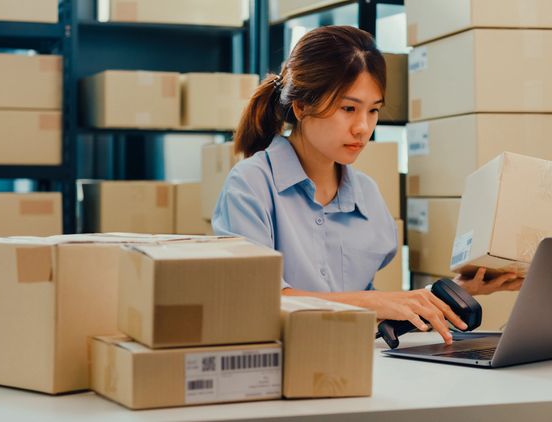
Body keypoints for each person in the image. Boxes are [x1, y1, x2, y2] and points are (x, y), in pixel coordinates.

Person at [212, 26, 522, 345]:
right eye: (348, 108)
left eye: (373, 110)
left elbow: (372, 313)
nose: (363, 127)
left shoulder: (367, 194)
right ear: (301, 107)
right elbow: (257, 301)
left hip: (358, 360)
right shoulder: (250, 185)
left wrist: (460, 290)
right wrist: (374, 303)